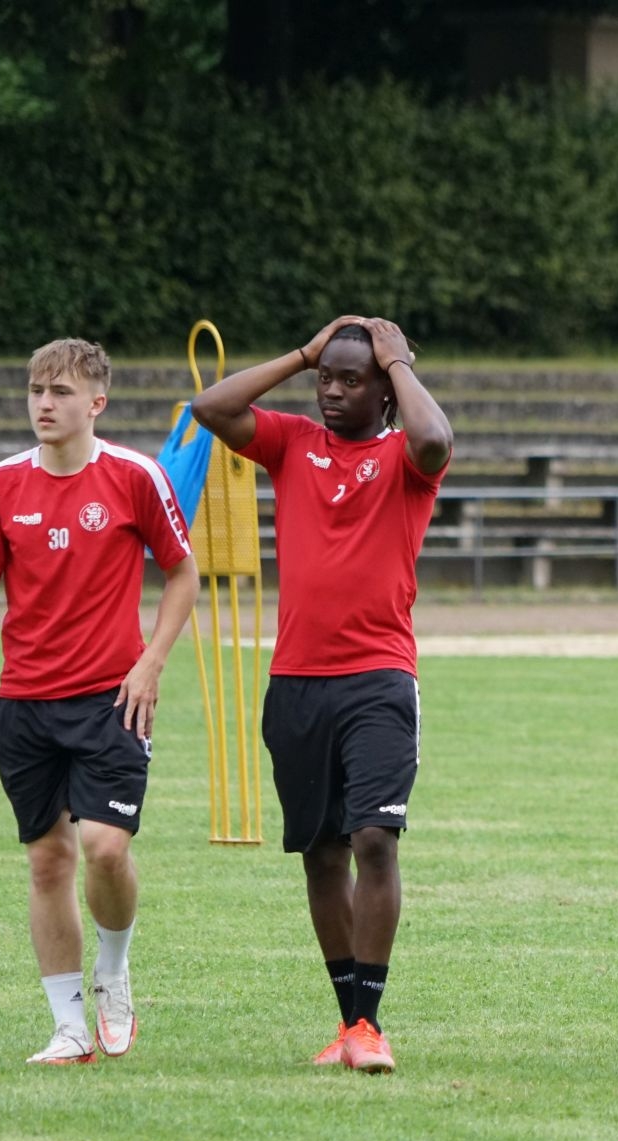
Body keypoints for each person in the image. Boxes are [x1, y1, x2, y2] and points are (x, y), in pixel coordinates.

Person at [190, 315, 452, 1075]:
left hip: (378, 679)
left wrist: (397, 363)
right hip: (296, 683)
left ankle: (369, 1024)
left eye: (350, 379)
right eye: (325, 379)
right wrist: (304, 354)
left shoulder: (405, 457)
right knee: (321, 853)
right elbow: (210, 409)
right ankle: (347, 1023)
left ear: (384, 389)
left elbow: (435, 438)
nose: (332, 392)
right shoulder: (291, 443)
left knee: (374, 840)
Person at [0, 338, 198, 1066]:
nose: (44, 404)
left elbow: (182, 575)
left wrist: (151, 663)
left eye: (60, 392)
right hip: (25, 704)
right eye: (36, 390)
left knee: (105, 849)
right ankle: (68, 1028)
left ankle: (113, 973)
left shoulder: (135, 476)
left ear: (97, 403)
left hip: (112, 700)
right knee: (47, 861)